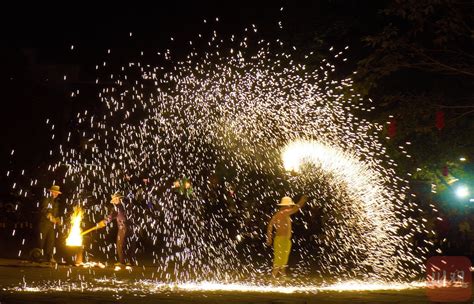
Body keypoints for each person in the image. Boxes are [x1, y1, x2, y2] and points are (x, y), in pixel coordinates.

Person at [266, 195, 308, 279]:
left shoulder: (279, 214)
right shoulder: (284, 212)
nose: (290, 206)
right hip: (282, 240)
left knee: (282, 259)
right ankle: (273, 277)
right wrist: (301, 201)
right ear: (286, 206)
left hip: (281, 239)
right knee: (279, 259)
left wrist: (269, 237)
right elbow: (295, 209)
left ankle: (282, 276)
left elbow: (270, 225)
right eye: (289, 205)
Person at [96, 192, 130, 267]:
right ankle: (129, 261)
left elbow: (111, 216)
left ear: (118, 199)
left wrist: (103, 222)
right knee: (126, 244)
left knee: (120, 244)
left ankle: (122, 262)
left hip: (123, 227)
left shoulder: (117, 207)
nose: (113, 201)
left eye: (115, 199)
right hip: (128, 226)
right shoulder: (124, 206)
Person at [38, 185, 62, 263]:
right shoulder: (46, 199)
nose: (56, 194)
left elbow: (56, 214)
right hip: (44, 223)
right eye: (54, 192)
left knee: (51, 241)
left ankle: (50, 257)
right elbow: (44, 210)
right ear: (51, 192)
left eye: (57, 193)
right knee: (41, 240)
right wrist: (51, 218)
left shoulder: (56, 202)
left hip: (51, 225)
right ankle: (38, 256)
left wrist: (58, 220)